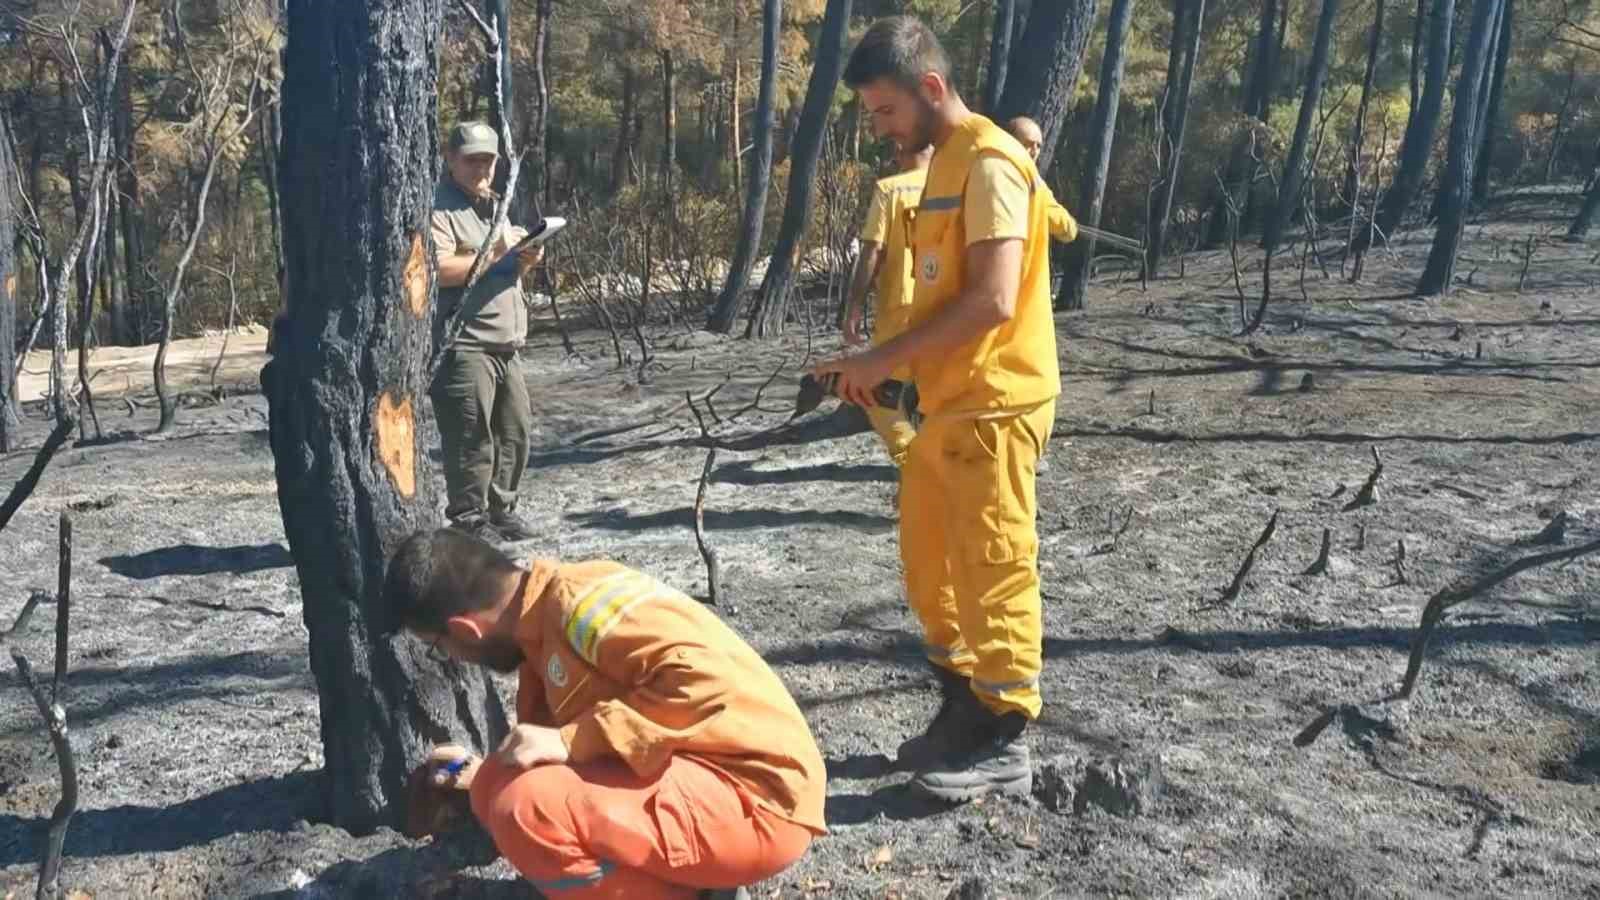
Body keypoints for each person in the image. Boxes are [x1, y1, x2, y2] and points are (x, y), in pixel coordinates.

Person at [814, 16, 1064, 803]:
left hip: (996, 404)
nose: (880, 128)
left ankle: (1001, 731)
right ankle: (961, 707)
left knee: (991, 565)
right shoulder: (945, 163)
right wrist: (890, 376)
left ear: (930, 88)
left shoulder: (991, 162)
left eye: (886, 111)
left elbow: (991, 301)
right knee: (932, 569)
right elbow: (938, 291)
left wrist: (882, 360)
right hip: (945, 406)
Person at [382, 527, 826, 900]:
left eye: (440, 648)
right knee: (497, 785)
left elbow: (702, 682)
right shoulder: (542, 621)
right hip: (715, 780)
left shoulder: (580, 611)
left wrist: (571, 739)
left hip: (762, 800)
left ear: (464, 629)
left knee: (526, 807)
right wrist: (482, 777)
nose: (453, 659)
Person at [431, 121, 544, 544]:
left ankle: (502, 510)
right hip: (464, 344)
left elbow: (503, 269)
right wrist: (498, 249)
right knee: (470, 436)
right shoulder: (439, 207)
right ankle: (468, 517)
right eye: (472, 160)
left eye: (488, 160)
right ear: (451, 160)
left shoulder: (496, 204)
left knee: (515, 431)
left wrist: (526, 257)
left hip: (506, 344)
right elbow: (437, 270)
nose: (481, 168)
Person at [841, 142, 933, 466]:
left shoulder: (889, 189)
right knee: (936, 388)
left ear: (898, 150)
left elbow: (871, 252)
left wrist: (854, 306)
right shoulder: (954, 187)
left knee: (880, 394)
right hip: (945, 305)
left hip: (900, 303)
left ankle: (913, 459)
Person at [1004, 116, 1079, 244]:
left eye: (1038, 146)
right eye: (1028, 144)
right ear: (1010, 142)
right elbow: (1067, 229)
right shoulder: (1035, 184)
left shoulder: (985, 172)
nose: (1035, 151)